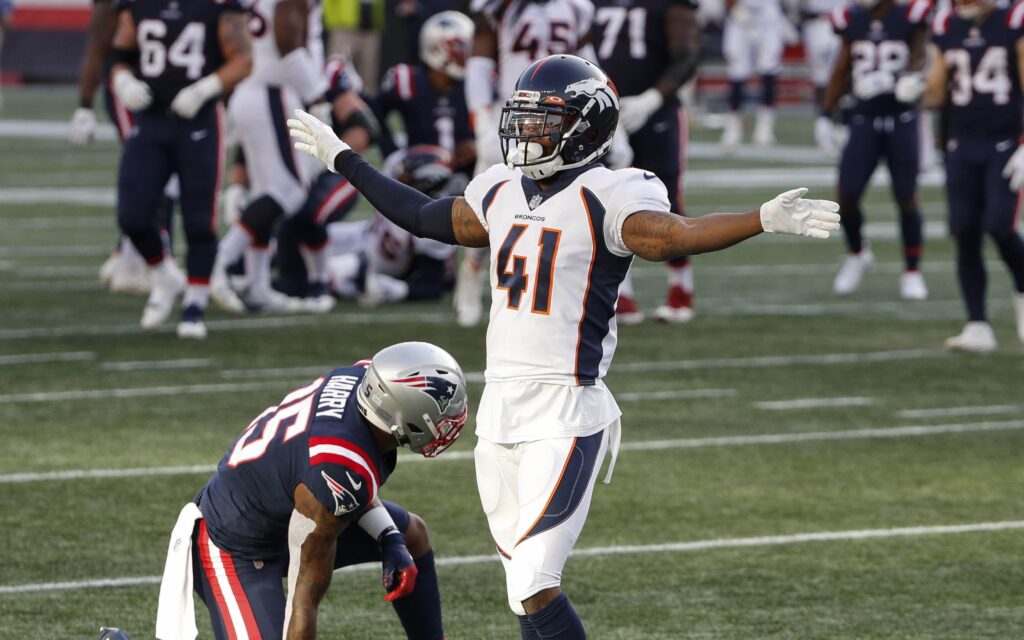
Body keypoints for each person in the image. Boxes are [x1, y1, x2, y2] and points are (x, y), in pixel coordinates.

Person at [290, 54, 840, 639]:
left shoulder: (611, 194)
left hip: (566, 411)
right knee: (523, 592)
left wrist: (761, 217)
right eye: (523, 119)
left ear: (586, 127)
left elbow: (676, 235)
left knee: (533, 582)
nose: (526, 133)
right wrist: (342, 158)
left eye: (544, 121)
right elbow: (425, 216)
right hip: (500, 410)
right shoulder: (501, 189)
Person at [154, 342, 468, 640]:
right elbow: (303, 600)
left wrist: (390, 537)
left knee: (410, 535)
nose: (450, 421)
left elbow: (350, 481)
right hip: (233, 544)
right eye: (442, 413)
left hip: (296, 507)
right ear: (402, 412)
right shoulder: (336, 465)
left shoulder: (364, 386)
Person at [110, 0, 253, 339]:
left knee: (199, 219)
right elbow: (119, 55)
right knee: (132, 214)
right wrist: (123, 82)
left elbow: (244, 60)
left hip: (199, 120)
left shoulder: (218, 7)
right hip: (152, 118)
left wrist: (206, 88)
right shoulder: (139, 5)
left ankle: (195, 305)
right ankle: (165, 275)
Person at [456, 0, 599, 328]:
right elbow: (478, 66)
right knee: (486, 206)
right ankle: (472, 272)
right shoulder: (499, 7)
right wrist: (481, 122)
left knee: (571, 202)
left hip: (565, 118)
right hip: (517, 118)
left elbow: (589, 64)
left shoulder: (578, 7)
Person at [210, 0, 331, 315]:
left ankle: (257, 284)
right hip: (272, 92)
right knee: (290, 190)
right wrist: (316, 96)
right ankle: (220, 261)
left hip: (257, 90)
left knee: (267, 193)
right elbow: (288, 46)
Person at [593, 0, 701, 323]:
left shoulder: (669, 5)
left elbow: (688, 55)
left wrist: (651, 99)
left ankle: (681, 287)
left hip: (657, 113)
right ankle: (619, 292)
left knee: (665, 199)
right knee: (606, 200)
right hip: (601, 112)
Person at [924, 0, 1024, 351]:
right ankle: (977, 323)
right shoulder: (947, 24)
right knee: (965, 230)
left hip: (1007, 143)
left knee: (1000, 225)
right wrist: (913, 91)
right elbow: (937, 90)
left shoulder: (1015, 19)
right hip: (962, 143)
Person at [823, 0, 931, 300]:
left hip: (902, 119)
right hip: (863, 119)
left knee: (906, 197)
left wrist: (894, 79)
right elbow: (842, 65)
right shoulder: (851, 18)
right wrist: (825, 113)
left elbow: (922, 56)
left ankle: (912, 270)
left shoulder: (910, 15)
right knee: (846, 193)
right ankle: (857, 253)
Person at [70, 0, 178, 296]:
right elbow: (99, 42)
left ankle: (125, 256)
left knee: (165, 176)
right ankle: (138, 265)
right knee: (154, 175)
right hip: (129, 89)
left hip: (161, 90)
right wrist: (84, 105)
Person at [326, 145, 458, 305]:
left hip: (370, 265)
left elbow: (433, 284)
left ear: (427, 182)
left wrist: (398, 290)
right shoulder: (394, 168)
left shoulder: (434, 220)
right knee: (310, 235)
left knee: (323, 273)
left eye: (407, 175)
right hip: (364, 234)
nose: (400, 176)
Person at [373, 10, 476, 176]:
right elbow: (374, 112)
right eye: (459, 48)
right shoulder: (407, 80)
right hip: (419, 177)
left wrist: (478, 146)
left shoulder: (474, 84)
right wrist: (393, 155)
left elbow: (497, 124)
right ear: (437, 47)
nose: (466, 55)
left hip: (468, 176)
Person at [720, 0, 789, 149]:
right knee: (737, 71)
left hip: (767, 13)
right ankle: (733, 125)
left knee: (769, 69)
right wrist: (734, 8)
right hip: (741, 10)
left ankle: (765, 127)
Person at [800, 0, 846, 155]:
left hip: (841, 20)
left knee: (843, 75)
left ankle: (841, 123)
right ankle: (824, 123)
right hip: (816, 23)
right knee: (821, 79)